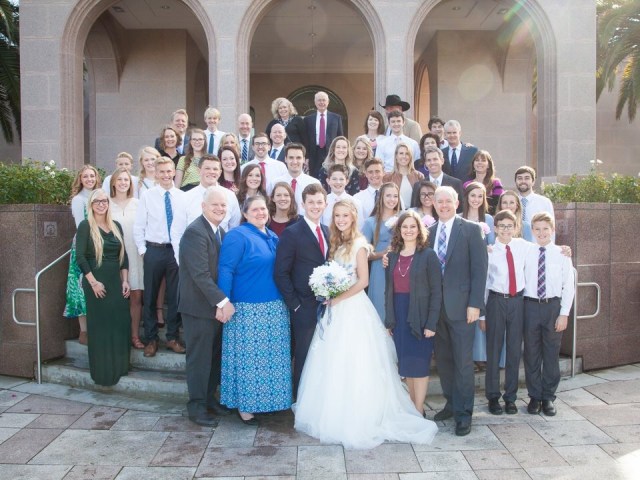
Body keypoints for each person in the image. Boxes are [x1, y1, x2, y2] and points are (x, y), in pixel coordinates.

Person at [293, 200, 437, 450]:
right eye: (337, 216)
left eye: (345, 216)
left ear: (353, 218)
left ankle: (363, 414)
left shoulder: (359, 244)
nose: (340, 220)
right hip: (335, 310)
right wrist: (327, 290)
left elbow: (363, 281)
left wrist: (337, 298)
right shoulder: (335, 243)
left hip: (353, 308)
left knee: (356, 360)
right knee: (334, 360)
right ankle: (334, 412)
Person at [218, 195, 292, 425]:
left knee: (271, 360)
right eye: (255, 210)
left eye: (263, 209)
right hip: (247, 308)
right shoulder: (237, 236)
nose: (261, 213)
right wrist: (223, 301)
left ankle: (268, 403)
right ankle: (246, 406)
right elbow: (226, 268)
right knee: (249, 361)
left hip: (275, 307)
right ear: (245, 213)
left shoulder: (272, 236)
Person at [429, 186, 488, 437]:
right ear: (434, 204)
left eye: (448, 201)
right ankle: (451, 404)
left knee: (463, 363)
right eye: (439, 201)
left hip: (464, 309)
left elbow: (480, 270)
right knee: (444, 361)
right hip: (436, 310)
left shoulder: (472, 230)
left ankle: (464, 414)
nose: (444, 205)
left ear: (456, 203)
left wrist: (475, 304)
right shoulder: (428, 232)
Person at [178, 186, 234, 426]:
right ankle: (197, 407)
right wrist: (223, 301)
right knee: (199, 359)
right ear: (203, 206)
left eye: (223, 205)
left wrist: (221, 303)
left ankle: (210, 399)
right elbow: (200, 274)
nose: (220, 209)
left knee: (213, 358)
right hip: (198, 308)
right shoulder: (195, 232)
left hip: (214, 308)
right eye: (215, 205)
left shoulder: (220, 231)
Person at [384, 210, 442, 416]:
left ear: (419, 230)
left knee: (420, 364)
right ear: (399, 230)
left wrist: (431, 323)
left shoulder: (428, 255)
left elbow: (436, 291)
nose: (408, 230)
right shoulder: (391, 256)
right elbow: (388, 290)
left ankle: (419, 409)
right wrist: (389, 320)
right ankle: (412, 406)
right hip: (399, 314)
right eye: (404, 226)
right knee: (407, 364)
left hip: (421, 315)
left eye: (412, 226)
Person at [274, 183, 329, 396]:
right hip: (303, 305)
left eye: (319, 202)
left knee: (321, 354)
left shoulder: (327, 231)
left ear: (325, 204)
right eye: (311, 202)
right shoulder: (292, 233)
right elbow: (281, 272)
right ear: (303, 204)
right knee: (303, 354)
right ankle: (299, 398)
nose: (315, 206)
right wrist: (295, 304)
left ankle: (317, 396)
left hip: (326, 305)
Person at [75, 189, 130, 386]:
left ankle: (120, 366)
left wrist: (125, 280)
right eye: (97, 201)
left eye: (104, 201)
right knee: (101, 326)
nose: (101, 204)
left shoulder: (116, 226)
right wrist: (93, 283)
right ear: (91, 205)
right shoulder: (85, 226)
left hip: (116, 281)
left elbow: (123, 257)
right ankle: (103, 372)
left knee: (119, 323)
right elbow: (80, 257)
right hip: (96, 282)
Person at [133, 157, 186, 357]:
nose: (165, 175)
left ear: (174, 172)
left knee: (175, 296)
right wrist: (143, 250)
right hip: (153, 250)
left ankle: (172, 337)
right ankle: (151, 339)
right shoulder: (148, 196)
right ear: (155, 173)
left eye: (169, 171)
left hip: (175, 251)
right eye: (161, 171)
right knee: (150, 296)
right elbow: (139, 225)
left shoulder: (182, 197)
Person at [523, 212, 575, 417]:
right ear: (532, 231)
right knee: (531, 353)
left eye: (545, 229)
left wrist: (564, 314)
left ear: (552, 230)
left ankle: (548, 397)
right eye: (537, 229)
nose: (541, 232)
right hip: (530, 306)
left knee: (551, 354)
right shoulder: (526, 250)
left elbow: (568, 285)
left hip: (552, 307)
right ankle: (534, 396)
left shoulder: (562, 253)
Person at [482, 209, 530, 416]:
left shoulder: (523, 246)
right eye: (502, 226)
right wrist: (482, 314)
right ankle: (493, 397)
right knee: (493, 350)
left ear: (515, 227)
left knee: (513, 350)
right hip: (496, 301)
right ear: (495, 228)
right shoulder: (490, 251)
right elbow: (484, 283)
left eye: (509, 226)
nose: (505, 230)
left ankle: (510, 397)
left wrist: (563, 249)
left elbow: (544, 247)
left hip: (517, 301)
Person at [171, 155, 242, 261]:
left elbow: (235, 228)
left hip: (223, 257)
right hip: (194, 258)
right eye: (207, 168)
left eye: (215, 169)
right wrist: (180, 260)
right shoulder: (185, 198)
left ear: (220, 172)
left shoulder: (230, 196)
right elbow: (177, 232)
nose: (211, 172)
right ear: (199, 171)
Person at [64, 165, 101, 345]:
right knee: (80, 288)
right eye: (85, 176)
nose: (89, 179)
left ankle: (98, 327)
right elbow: (81, 226)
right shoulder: (78, 200)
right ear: (80, 179)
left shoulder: (101, 196)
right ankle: (84, 331)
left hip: (101, 245)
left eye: (92, 176)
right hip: (84, 245)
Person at [109, 168, 144, 350]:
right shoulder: (106, 203)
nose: (123, 183)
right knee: (115, 298)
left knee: (136, 296)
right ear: (113, 183)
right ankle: (118, 336)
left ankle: (134, 335)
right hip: (114, 255)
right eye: (120, 179)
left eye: (126, 180)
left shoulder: (138, 203)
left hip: (135, 254)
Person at [362, 182, 401, 322]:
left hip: (401, 266)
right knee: (380, 306)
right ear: (381, 198)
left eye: (395, 196)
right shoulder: (370, 222)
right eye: (388, 195)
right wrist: (383, 253)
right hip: (379, 269)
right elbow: (363, 254)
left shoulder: (403, 218)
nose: (392, 199)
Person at [269, 143, 321, 215]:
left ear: (304, 159)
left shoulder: (314, 183)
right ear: (285, 159)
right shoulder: (275, 183)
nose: (295, 161)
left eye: (298, 158)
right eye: (291, 158)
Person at [304, 91, 344, 178]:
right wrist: (306, 157)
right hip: (314, 153)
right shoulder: (308, 119)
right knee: (314, 177)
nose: (321, 102)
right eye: (319, 100)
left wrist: (340, 154)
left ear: (328, 102)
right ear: (315, 102)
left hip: (331, 153)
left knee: (331, 176)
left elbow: (340, 138)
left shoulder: (336, 118)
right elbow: (306, 139)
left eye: (324, 100)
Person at [321, 164, 365, 229]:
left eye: (341, 179)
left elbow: (359, 227)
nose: (338, 182)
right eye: (334, 179)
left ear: (347, 181)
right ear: (328, 181)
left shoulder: (356, 203)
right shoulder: (322, 202)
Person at [422, 146, 464, 213]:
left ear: (442, 161)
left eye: (435, 159)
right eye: (429, 160)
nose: (432, 163)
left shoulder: (455, 183)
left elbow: (460, 209)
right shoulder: (419, 185)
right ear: (426, 163)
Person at [383, 142, 425, 208]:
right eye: (401, 153)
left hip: (414, 212)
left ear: (410, 157)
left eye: (407, 154)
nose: (404, 156)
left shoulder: (419, 176)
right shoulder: (387, 177)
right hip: (395, 212)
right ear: (396, 156)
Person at [464, 150, 504, 214]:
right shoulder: (467, 185)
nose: (480, 162)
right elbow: (464, 205)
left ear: (488, 165)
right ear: (473, 164)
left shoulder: (496, 183)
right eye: (477, 160)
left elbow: (499, 205)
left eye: (483, 160)